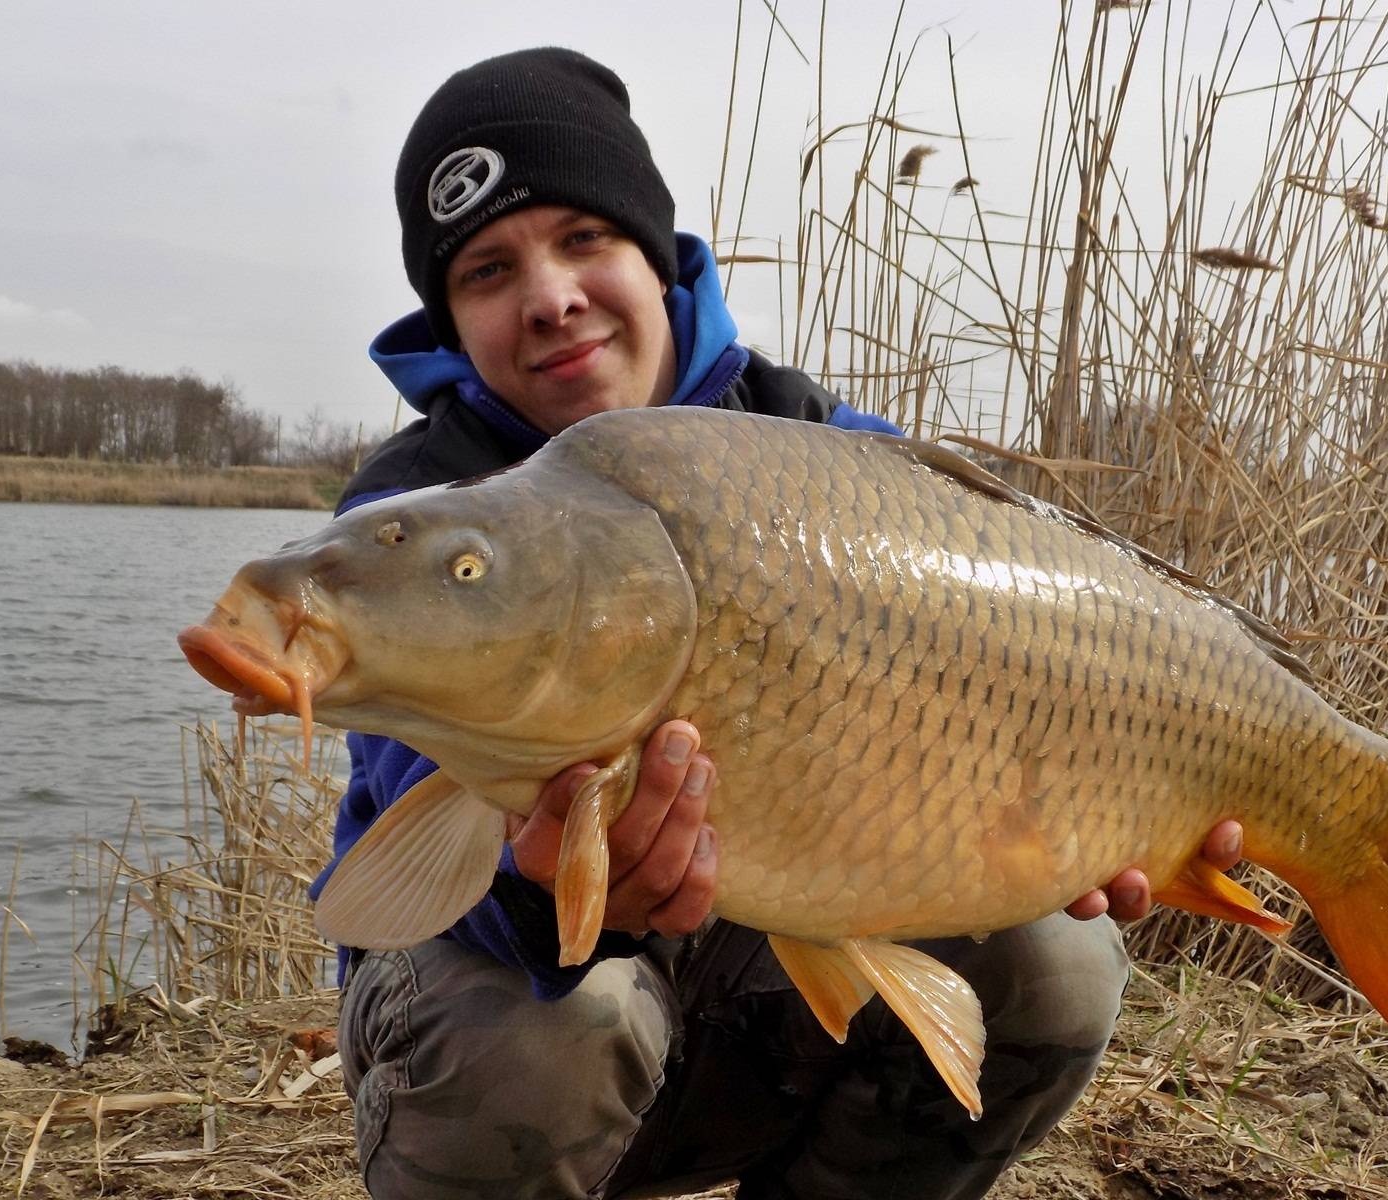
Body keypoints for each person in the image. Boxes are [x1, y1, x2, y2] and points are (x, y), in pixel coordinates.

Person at [319, 47, 1245, 1200]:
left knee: (1059, 961)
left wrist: (1066, 821)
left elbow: (1010, 637)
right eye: (488, 270)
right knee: (560, 1027)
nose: (549, 296)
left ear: (655, 256)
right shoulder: (417, 522)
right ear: (454, 318)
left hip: (765, 1019)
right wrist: (543, 889)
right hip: (531, 1044)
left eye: (584, 241)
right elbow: (427, 867)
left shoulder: (817, 448)